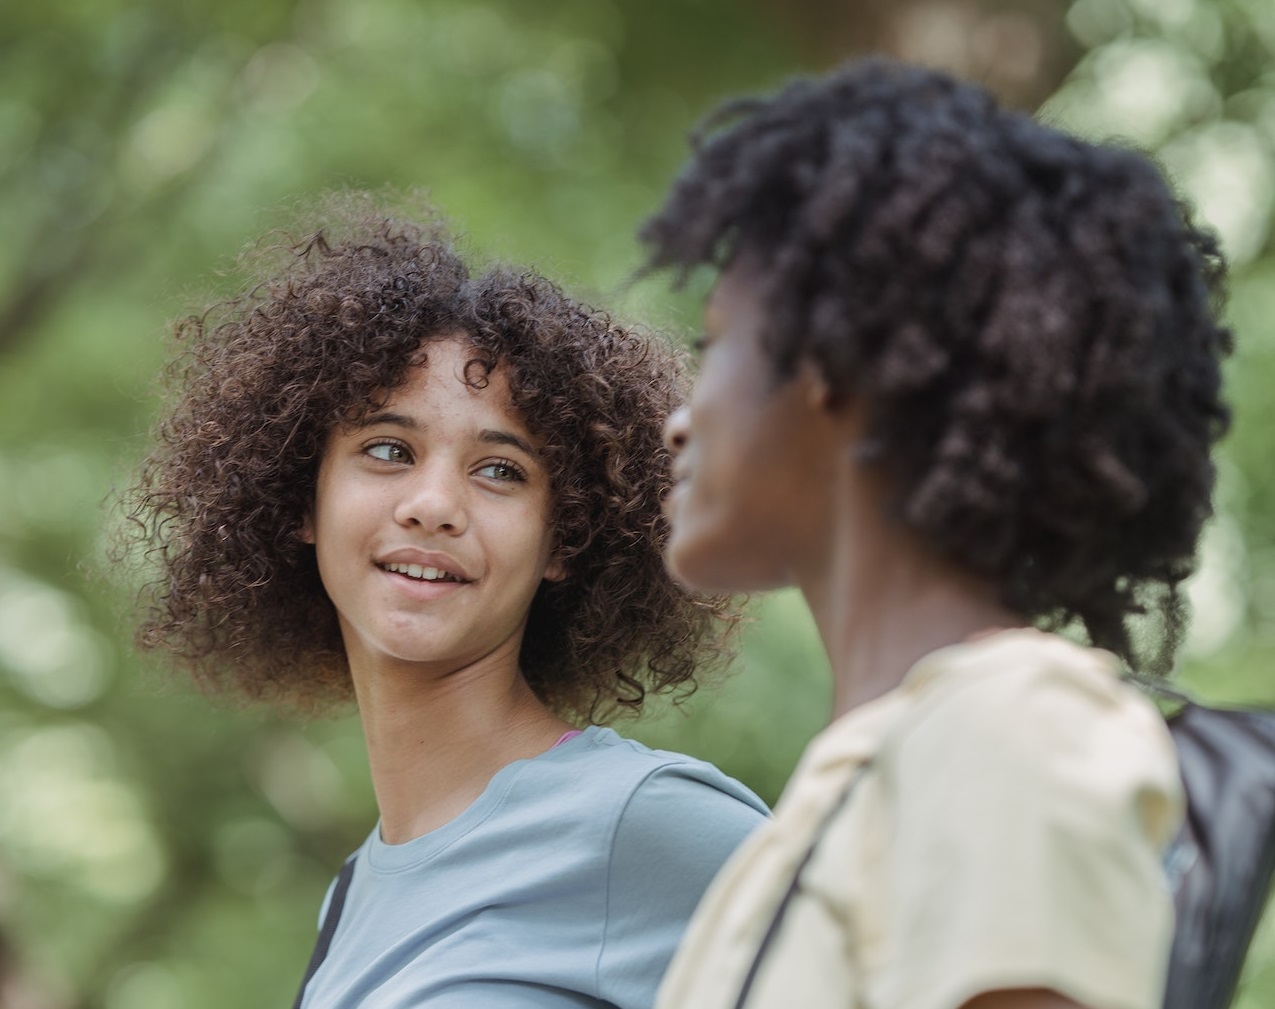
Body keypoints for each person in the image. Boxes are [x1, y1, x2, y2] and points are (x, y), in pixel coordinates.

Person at [638, 58, 1232, 1009]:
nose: (679, 415)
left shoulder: (1011, 725)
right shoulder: (869, 771)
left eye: (713, 346)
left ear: (829, 360)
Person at [119, 195, 768, 1009]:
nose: (432, 503)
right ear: (301, 502)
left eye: (500, 469)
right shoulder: (351, 897)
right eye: (388, 450)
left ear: (563, 538)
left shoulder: (646, 826)